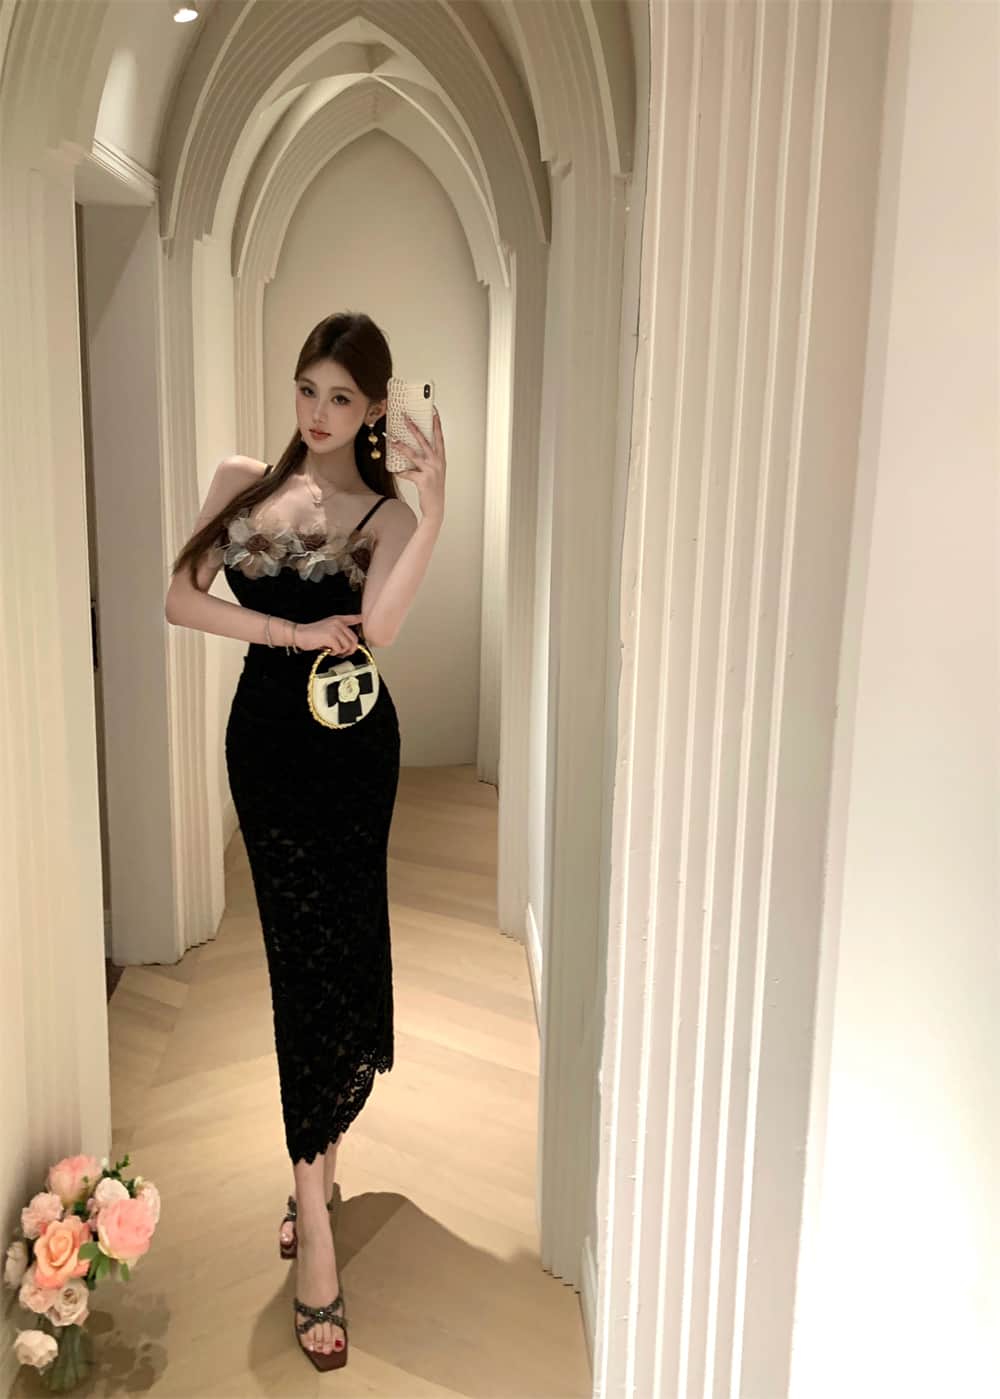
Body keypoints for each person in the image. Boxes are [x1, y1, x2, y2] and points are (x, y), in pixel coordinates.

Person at [164, 311, 446, 1369]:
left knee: (343, 953)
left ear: (373, 410)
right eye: (307, 389)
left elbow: (384, 629)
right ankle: (312, 1209)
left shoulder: (384, 513)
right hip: (269, 744)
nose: (318, 413)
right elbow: (179, 598)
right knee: (298, 963)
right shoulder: (244, 481)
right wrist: (287, 629)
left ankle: (316, 1169)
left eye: (340, 397)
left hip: (353, 747)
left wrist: (435, 509)